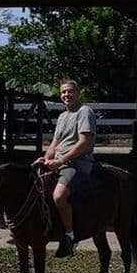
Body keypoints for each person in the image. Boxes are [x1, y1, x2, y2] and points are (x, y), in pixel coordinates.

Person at [32, 80, 96, 258]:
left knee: (59, 196)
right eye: (63, 92)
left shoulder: (85, 112)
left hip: (77, 164)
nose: (66, 95)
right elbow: (55, 143)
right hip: (60, 161)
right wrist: (46, 159)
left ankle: (69, 237)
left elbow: (84, 142)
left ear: (78, 92)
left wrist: (60, 162)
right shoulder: (62, 117)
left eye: (70, 91)